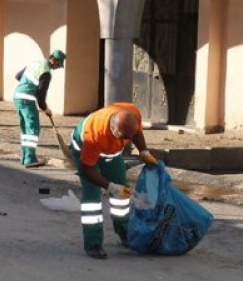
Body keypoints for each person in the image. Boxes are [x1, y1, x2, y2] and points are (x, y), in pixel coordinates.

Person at [69, 102, 160, 259]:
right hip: (85, 153)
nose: (129, 139)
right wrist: (109, 186)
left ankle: (125, 232)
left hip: (111, 152)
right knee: (92, 198)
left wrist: (143, 150)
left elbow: (136, 133)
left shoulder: (132, 115)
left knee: (122, 194)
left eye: (130, 135)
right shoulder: (94, 135)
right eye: (125, 136)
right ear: (113, 129)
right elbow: (87, 170)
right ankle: (93, 244)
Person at [13, 49, 65, 168]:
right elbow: (41, 95)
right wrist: (46, 109)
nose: (57, 67)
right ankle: (30, 159)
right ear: (53, 60)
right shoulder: (46, 73)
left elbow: (17, 76)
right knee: (33, 129)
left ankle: (25, 157)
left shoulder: (35, 63)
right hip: (27, 99)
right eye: (58, 64)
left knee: (25, 129)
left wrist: (27, 85)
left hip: (17, 97)